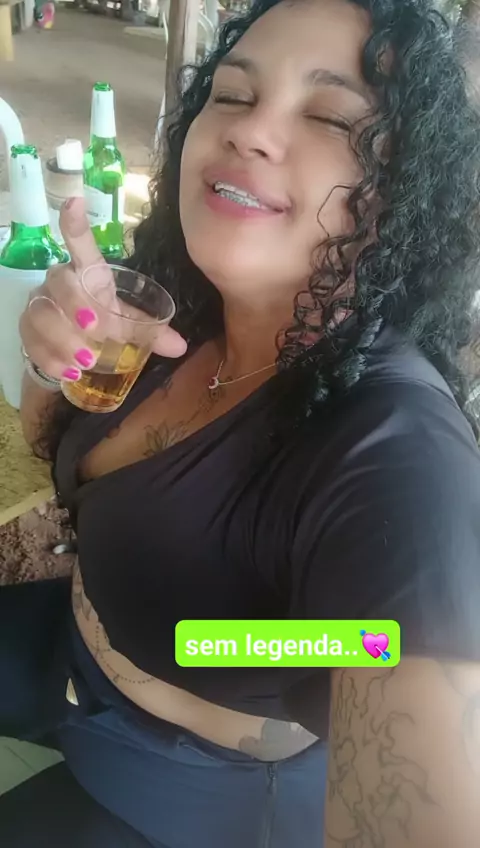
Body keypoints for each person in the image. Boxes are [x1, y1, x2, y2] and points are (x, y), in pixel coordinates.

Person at [1, 0, 480, 845]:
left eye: (332, 116)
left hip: (177, 784)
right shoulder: (174, 308)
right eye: (230, 94)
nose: (250, 130)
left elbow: (382, 660)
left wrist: (221, 644)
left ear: (402, 188)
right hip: (65, 652)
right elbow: (55, 446)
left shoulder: (396, 450)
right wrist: (54, 359)